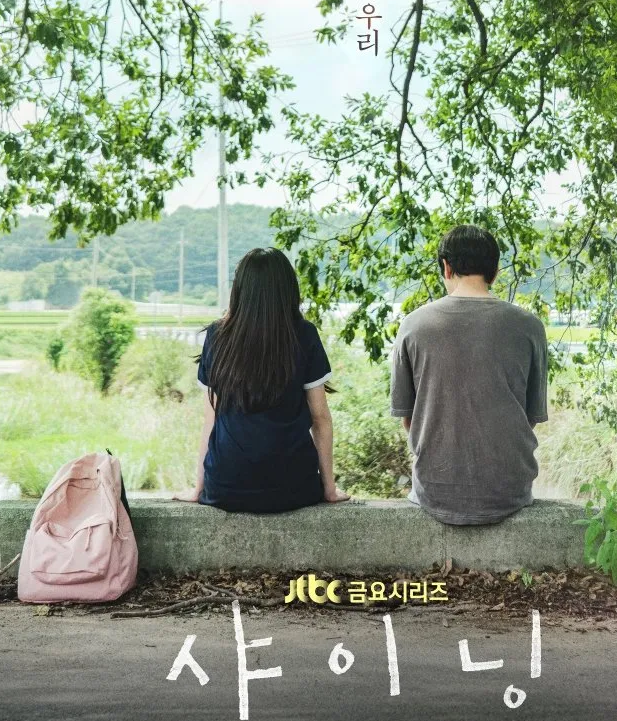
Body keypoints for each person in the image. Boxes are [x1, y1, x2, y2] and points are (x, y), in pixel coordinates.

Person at [389, 223, 549, 526]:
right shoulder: (529, 326)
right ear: (495, 271)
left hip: (435, 490)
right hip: (509, 491)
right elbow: (530, 416)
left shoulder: (413, 325)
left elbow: (408, 418)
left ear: (446, 267)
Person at [173, 247, 349, 513]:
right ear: (288, 289)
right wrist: (329, 489)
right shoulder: (304, 334)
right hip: (295, 488)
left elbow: (211, 419)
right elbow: (320, 418)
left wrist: (199, 487)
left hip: (225, 487)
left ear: (240, 290)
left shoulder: (217, 336)